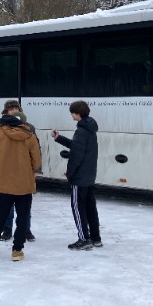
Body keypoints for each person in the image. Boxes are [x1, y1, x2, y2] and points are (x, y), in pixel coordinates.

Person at [0, 100, 42, 262]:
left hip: (3, 180)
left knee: (0, 214)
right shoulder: (29, 134)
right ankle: (17, 250)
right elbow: (37, 162)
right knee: (22, 217)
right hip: (24, 182)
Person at [52, 100, 102, 250]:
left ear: (77, 113)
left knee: (78, 208)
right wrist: (59, 138)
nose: (71, 115)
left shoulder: (81, 130)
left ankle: (83, 238)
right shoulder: (90, 129)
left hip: (80, 177)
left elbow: (76, 156)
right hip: (89, 175)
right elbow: (78, 147)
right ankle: (95, 237)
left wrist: (70, 173)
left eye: (72, 112)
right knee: (90, 207)